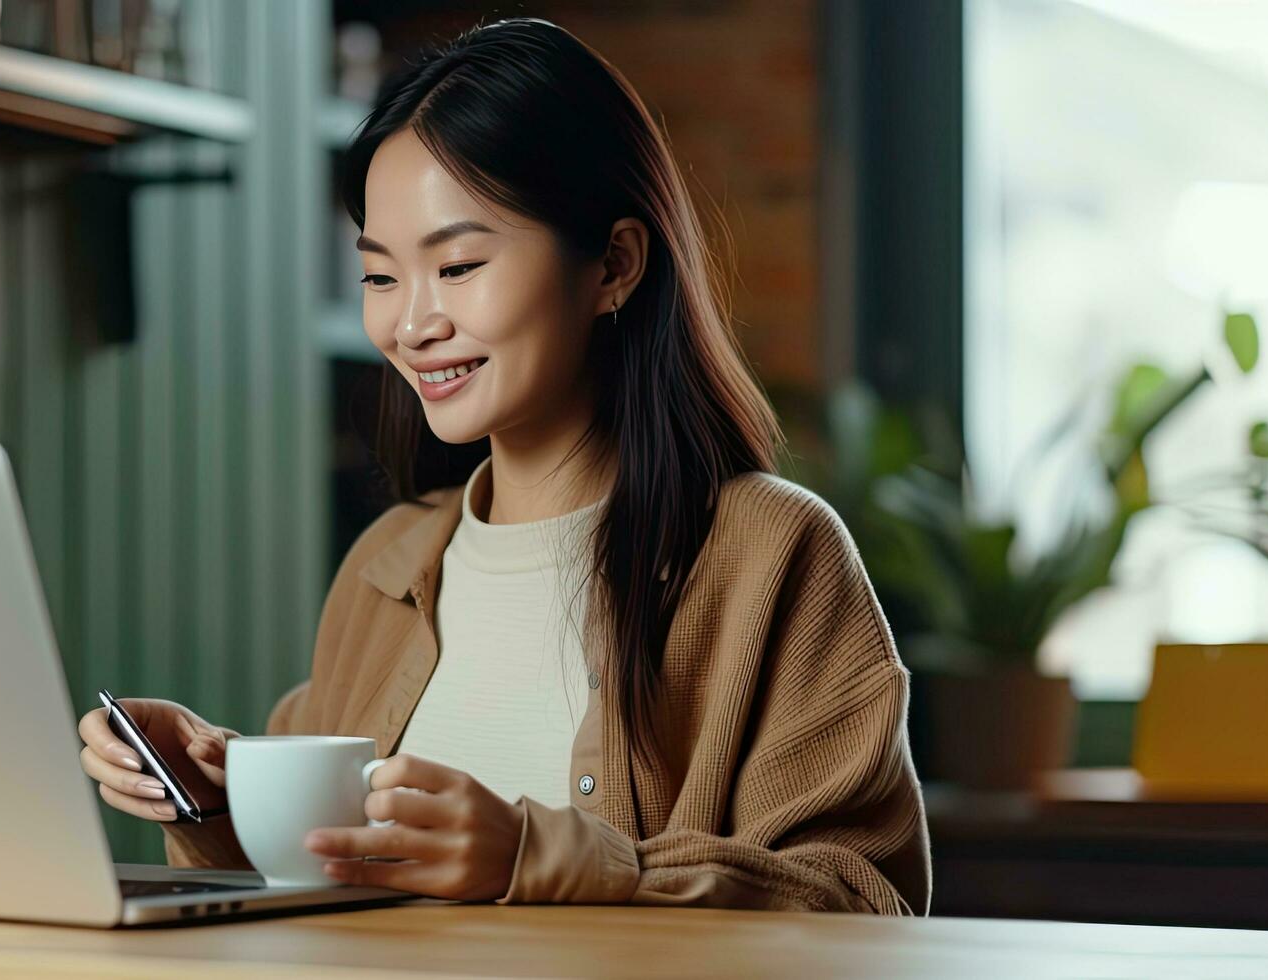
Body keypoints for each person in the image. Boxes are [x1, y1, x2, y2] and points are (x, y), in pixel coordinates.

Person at [77, 16, 928, 914]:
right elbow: (316, 890)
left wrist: (540, 857)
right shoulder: (386, 566)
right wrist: (211, 794)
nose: (410, 326)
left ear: (614, 264)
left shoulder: (773, 553)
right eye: (379, 276)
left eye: (458, 265)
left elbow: (856, 900)